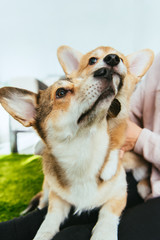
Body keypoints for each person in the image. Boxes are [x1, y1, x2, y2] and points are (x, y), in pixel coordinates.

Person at [1, 53, 160, 240]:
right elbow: (129, 114)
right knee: (37, 222)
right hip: (147, 175)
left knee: (72, 236)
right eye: (63, 92)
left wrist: (139, 138)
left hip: (148, 185)